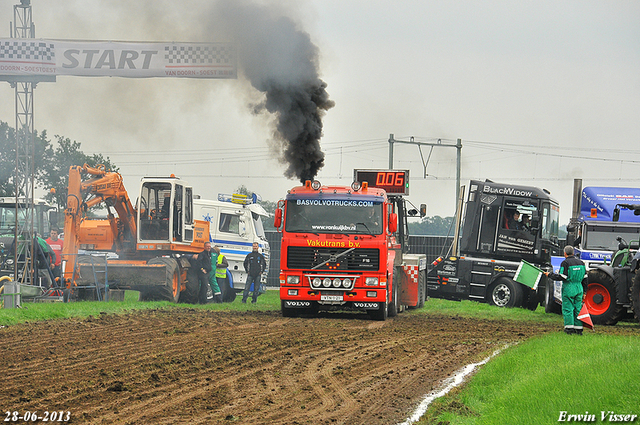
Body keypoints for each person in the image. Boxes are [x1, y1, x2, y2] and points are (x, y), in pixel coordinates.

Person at [545, 245, 587, 335]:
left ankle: (569, 329)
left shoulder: (565, 263)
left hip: (569, 288)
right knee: (578, 308)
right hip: (579, 287)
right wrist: (585, 291)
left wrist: (550, 275)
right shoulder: (581, 263)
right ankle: (579, 329)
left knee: (568, 308)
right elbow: (585, 278)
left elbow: (562, 277)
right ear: (573, 253)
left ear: (565, 253)